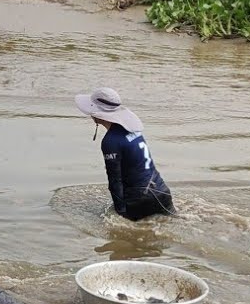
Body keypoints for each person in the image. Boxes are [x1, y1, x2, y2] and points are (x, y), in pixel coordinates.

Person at [74, 87, 175, 221]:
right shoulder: (133, 129)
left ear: (97, 113)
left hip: (140, 200)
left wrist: (120, 212)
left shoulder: (110, 141)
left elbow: (115, 180)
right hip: (161, 191)